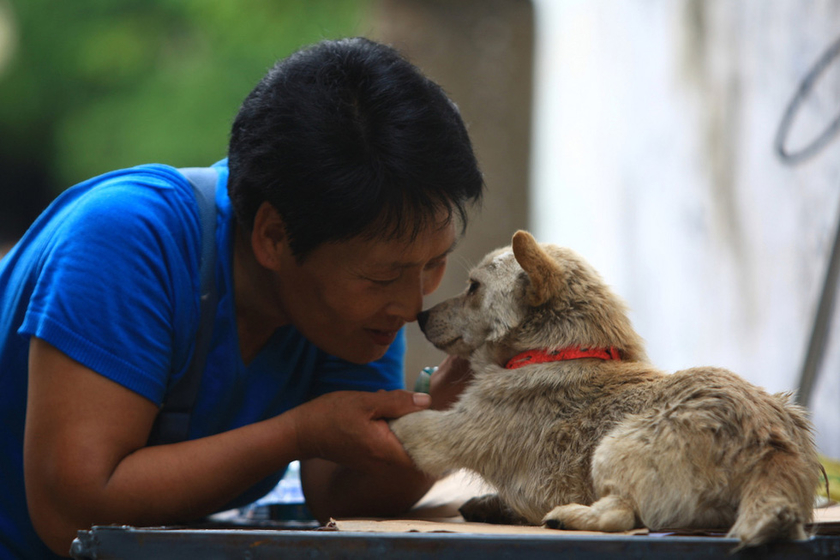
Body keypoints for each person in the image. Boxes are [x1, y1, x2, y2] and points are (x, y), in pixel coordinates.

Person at [0, 37, 483, 559]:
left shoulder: (352, 307)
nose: (411, 305)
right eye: (382, 276)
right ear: (274, 236)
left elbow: (340, 494)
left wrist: (449, 416)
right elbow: (71, 515)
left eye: (433, 264)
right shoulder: (127, 241)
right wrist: (296, 434)